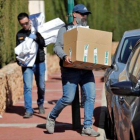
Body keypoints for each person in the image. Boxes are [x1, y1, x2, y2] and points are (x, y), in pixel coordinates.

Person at [46, 4, 100, 137]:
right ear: (74, 14)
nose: (85, 16)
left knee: (91, 96)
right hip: (70, 70)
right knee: (68, 98)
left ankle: (87, 127)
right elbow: (57, 46)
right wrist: (65, 56)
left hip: (86, 70)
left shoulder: (87, 30)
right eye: (82, 14)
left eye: (86, 14)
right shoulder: (64, 29)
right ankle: (52, 117)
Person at [16, 13, 46, 118]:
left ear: (29, 20)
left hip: (39, 62)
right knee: (27, 87)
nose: (25, 25)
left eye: (26, 23)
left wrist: (36, 38)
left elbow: (44, 43)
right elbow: (18, 51)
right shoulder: (19, 34)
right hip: (27, 65)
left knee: (41, 86)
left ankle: (40, 103)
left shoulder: (37, 30)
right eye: (22, 24)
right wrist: (18, 60)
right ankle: (29, 110)